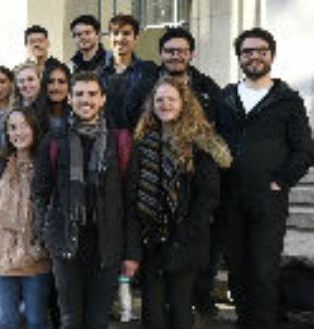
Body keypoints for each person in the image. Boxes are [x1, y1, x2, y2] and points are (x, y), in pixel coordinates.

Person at [214, 27, 314, 329]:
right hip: (231, 198)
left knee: (264, 270)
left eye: (261, 50)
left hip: (268, 199)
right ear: (239, 57)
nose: (254, 56)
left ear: (271, 55)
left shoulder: (288, 100)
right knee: (238, 270)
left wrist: (281, 181)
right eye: (248, 51)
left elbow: (304, 149)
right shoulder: (225, 98)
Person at [34, 71, 140, 329]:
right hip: (66, 241)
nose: (86, 100)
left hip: (107, 244)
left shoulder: (121, 142)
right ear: (69, 98)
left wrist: (131, 253)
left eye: (92, 94)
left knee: (97, 319)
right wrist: (46, 235)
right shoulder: (53, 141)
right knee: (70, 319)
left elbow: (130, 202)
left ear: (103, 99)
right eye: (79, 94)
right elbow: (40, 193)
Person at [127, 76, 232, 329]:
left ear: (184, 104)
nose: (165, 104)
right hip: (151, 239)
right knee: (152, 312)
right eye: (159, 100)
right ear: (152, 104)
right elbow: (133, 192)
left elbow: (208, 196)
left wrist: (185, 234)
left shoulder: (200, 144)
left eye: (171, 99)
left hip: (185, 238)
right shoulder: (142, 143)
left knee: (180, 308)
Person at [156, 26, 223, 317]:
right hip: (153, 223)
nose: (176, 56)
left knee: (184, 300)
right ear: (161, 54)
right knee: (155, 307)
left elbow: (220, 138)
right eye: (170, 51)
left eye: (182, 51)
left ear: (191, 54)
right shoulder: (145, 84)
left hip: (191, 214)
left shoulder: (209, 89)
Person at [0, 108, 51, 329]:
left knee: (36, 321)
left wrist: (40, 246)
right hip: (3, 260)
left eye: (24, 126)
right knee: (8, 322)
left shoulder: (45, 164)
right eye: (13, 127)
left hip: (36, 259)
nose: (18, 132)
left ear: (34, 128)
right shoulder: (0, 166)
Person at [100, 14, 157, 130]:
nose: (120, 39)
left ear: (136, 38)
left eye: (126, 33)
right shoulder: (99, 73)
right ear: (109, 38)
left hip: (139, 138)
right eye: (115, 33)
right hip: (107, 140)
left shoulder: (148, 71)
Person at [41, 62, 72, 135]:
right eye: (51, 82)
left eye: (61, 82)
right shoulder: (35, 116)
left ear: (69, 86)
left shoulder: (76, 117)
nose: (56, 87)